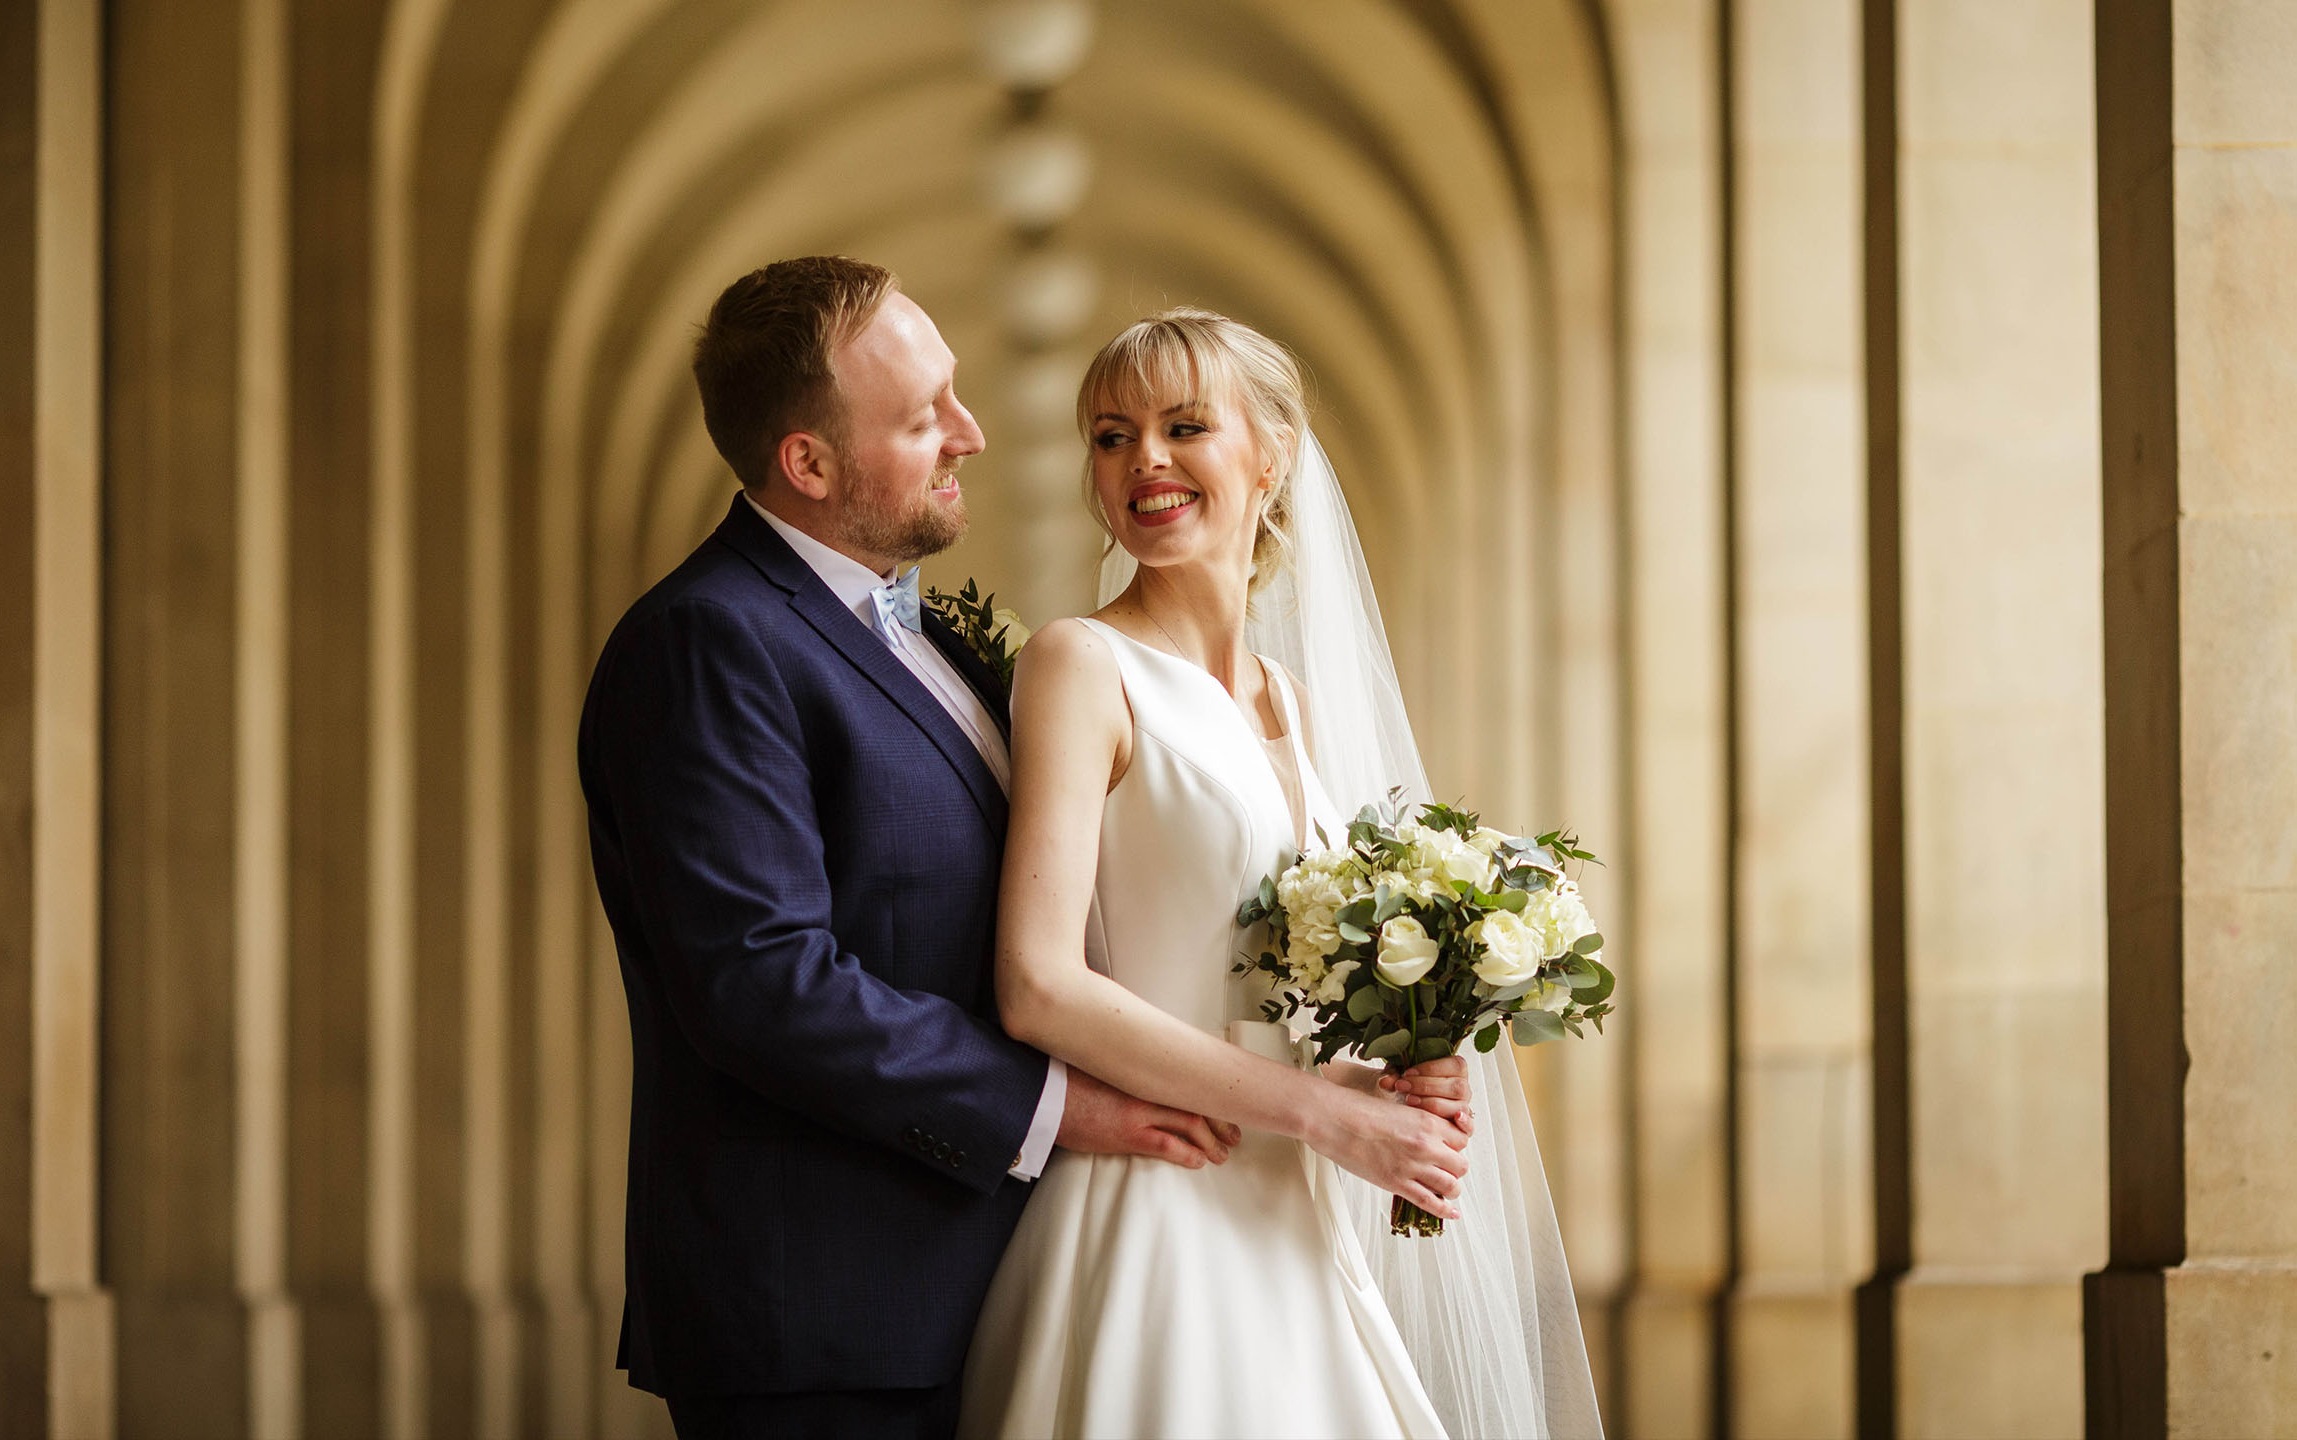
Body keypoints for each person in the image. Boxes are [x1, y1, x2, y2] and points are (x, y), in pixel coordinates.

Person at [580, 259, 1338, 1440]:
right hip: (825, 1317)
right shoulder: (708, 642)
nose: (972, 436)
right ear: (810, 464)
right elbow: (761, 983)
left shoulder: (931, 638)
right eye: (926, 416)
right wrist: (1054, 1106)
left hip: (981, 1280)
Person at [960, 308, 1603, 1438]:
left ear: (1273, 455)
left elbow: (1267, 994)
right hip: (1161, 1207)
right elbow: (1038, 985)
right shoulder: (1081, 663)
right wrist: (1320, 1112)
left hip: (1293, 1211)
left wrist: (1383, 1081)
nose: (1142, 461)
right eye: (1111, 437)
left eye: (1184, 425)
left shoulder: (1290, 705)